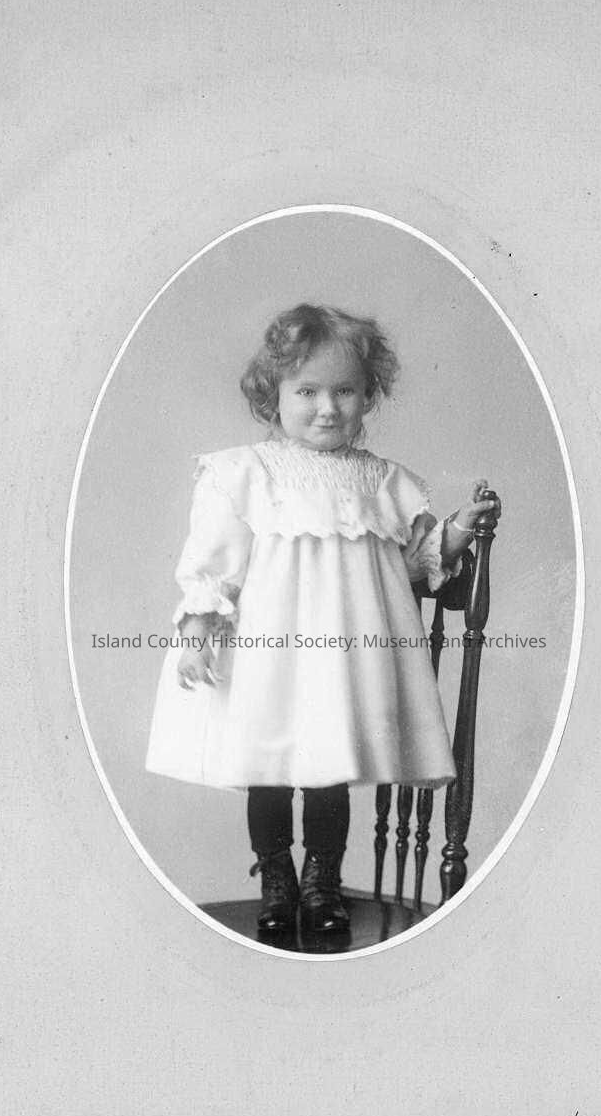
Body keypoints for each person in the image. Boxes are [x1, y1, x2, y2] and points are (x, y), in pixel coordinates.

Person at [145, 304, 501, 938]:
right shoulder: (245, 474)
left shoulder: (382, 482)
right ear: (274, 394)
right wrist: (198, 633)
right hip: (271, 654)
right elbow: (214, 566)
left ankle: (322, 880)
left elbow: (411, 566)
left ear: (368, 396)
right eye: (306, 391)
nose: (327, 408)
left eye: (345, 391)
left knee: (330, 767)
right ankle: (277, 878)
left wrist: (455, 534)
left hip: (347, 659)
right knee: (270, 770)